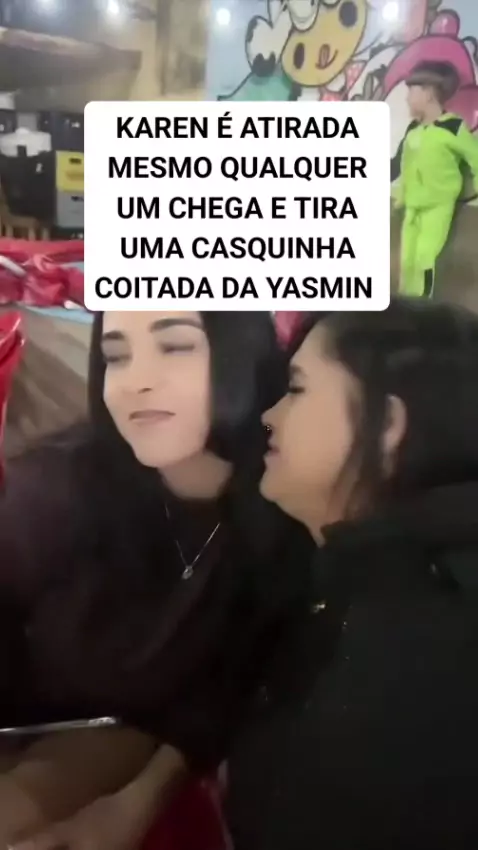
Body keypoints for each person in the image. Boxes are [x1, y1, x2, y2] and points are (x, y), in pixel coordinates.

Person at [0, 310, 307, 848]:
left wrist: (131, 807)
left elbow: (230, 689)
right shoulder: (56, 490)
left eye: (176, 346)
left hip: (128, 743)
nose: (135, 381)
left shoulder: (287, 509)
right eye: (116, 356)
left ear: (240, 355)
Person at [227, 299, 478, 850]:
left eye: (296, 389)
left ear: (386, 423)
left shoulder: (420, 656)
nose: (269, 416)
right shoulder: (360, 575)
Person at [391, 60, 478, 298]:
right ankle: (406, 304)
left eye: (412, 92)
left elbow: (475, 157)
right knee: (406, 260)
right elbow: (406, 165)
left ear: (429, 93)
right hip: (412, 206)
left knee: (425, 257)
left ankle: (422, 305)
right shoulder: (414, 130)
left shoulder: (453, 126)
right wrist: (402, 197)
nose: (407, 98)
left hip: (437, 206)